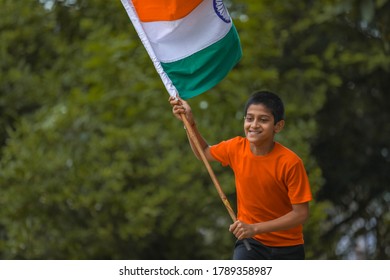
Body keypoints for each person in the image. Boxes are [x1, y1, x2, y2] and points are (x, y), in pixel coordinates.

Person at [169, 90, 312, 260]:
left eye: (263, 120)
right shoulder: (235, 147)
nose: (254, 125)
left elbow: (300, 214)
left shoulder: (290, 162)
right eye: (250, 118)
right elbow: (204, 153)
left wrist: (255, 228)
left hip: (288, 248)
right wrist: (190, 124)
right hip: (251, 244)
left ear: (278, 126)